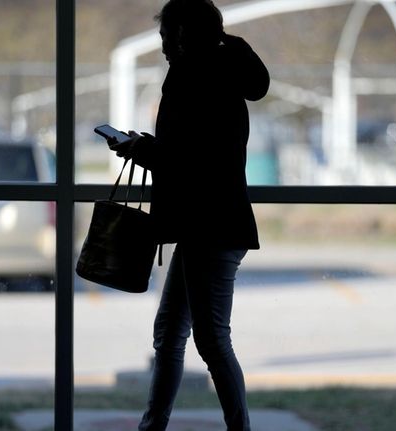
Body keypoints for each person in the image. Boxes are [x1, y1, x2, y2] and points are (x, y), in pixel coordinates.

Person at [108, 0, 269, 429]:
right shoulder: (225, 72)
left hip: (208, 226)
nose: (162, 47)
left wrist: (142, 149)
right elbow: (201, 154)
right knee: (175, 336)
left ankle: (224, 426)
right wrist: (148, 148)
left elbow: (188, 159)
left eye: (166, 38)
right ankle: (156, 425)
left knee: (208, 340)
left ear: (184, 36)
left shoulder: (195, 76)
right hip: (216, 224)